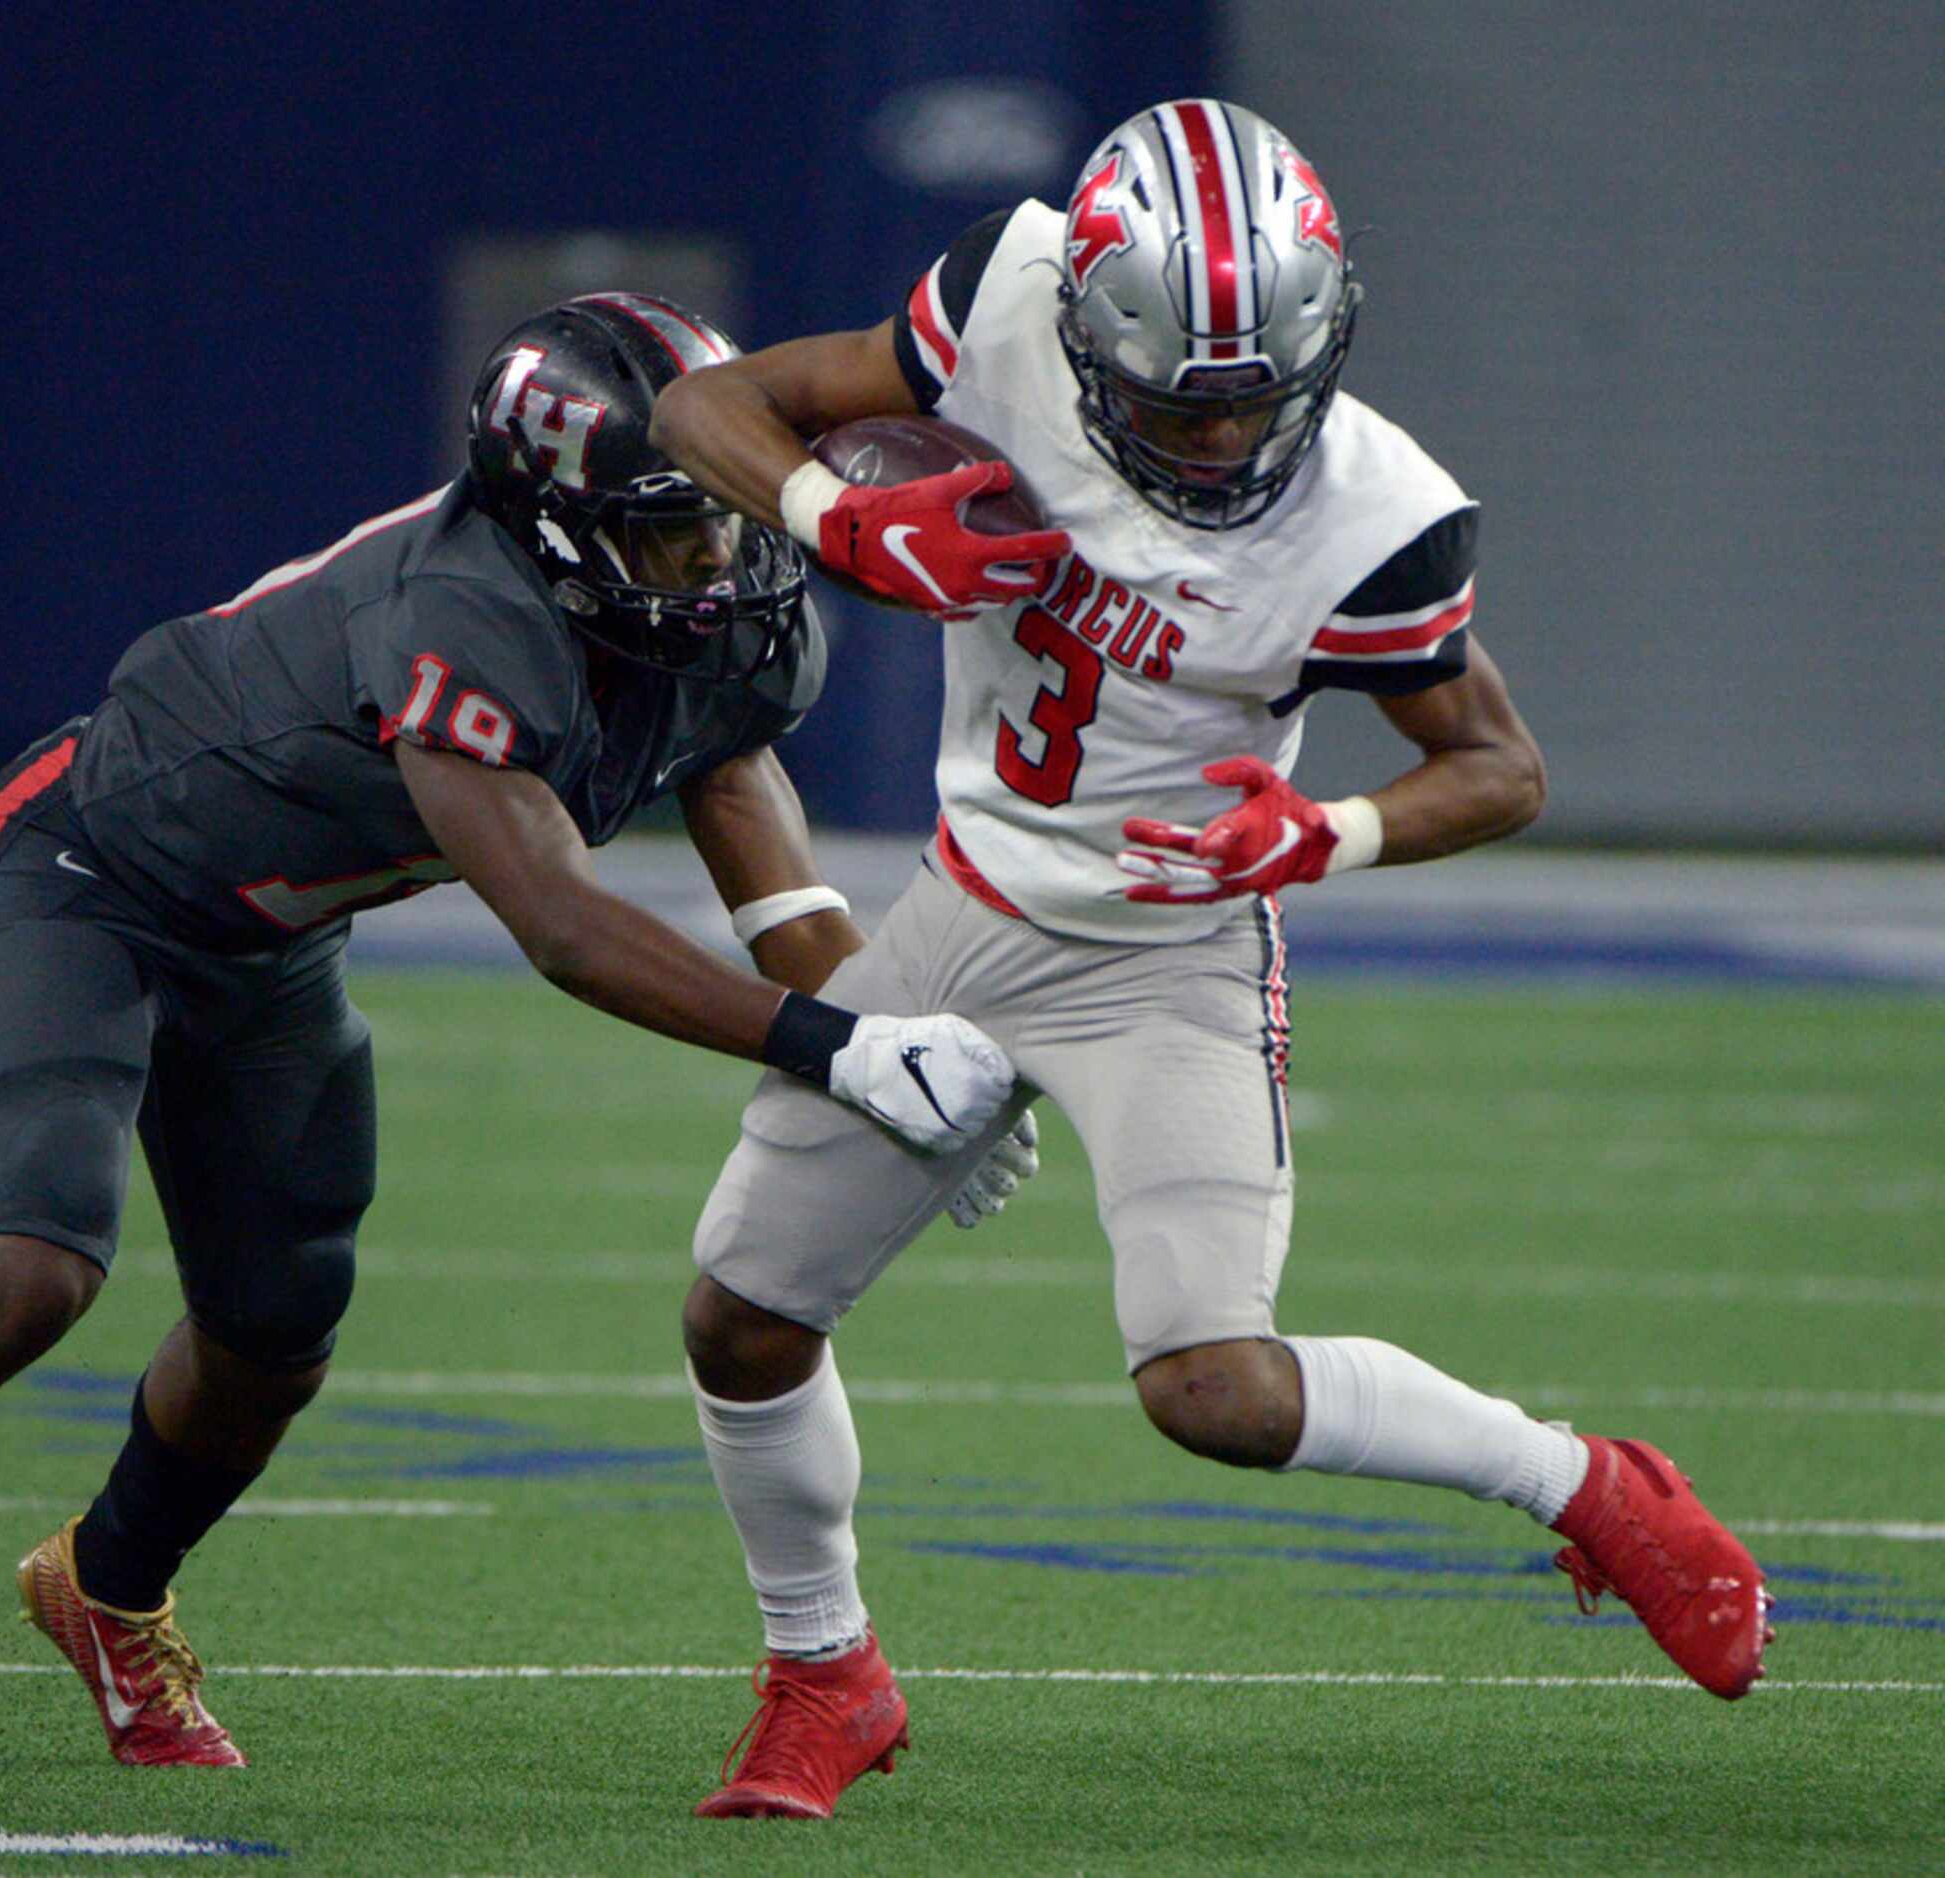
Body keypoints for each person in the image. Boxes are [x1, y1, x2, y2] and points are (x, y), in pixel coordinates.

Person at [0, 292, 1028, 1798]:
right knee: (30, 1270)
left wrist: (887, 1031)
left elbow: (740, 799)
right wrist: (836, 1045)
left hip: (269, 937)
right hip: (87, 877)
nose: (714, 554)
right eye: (667, 523)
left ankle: (107, 1587)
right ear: (555, 526)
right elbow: (562, 926)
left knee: (274, 1332)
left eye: (723, 502)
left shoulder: (705, 594)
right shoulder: (464, 610)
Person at [649, 99, 1774, 1821]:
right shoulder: (1007, 294)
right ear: (1088, 330)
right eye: (1181, 394)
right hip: (965, 908)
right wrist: (832, 514)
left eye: (1254, 390)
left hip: (1166, 949)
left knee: (1213, 1388)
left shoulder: (1376, 513)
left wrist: (1319, 837)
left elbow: (1499, 767)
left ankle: (1590, 1486)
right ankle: (825, 1671)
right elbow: (703, 401)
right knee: (739, 1319)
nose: (1221, 428)